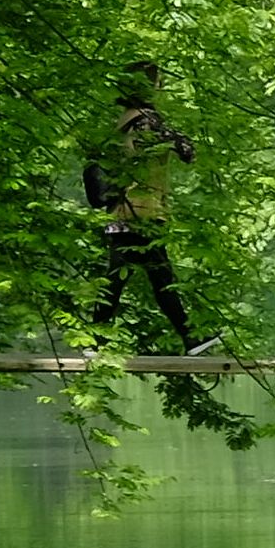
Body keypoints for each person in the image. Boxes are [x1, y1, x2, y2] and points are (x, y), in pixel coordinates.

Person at [85, 75, 201, 350]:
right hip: (143, 212)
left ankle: (96, 339)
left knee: (126, 278)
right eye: (158, 83)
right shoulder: (147, 121)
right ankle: (191, 337)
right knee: (160, 280)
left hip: (121, 213)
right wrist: (177, 138)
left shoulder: (122, 123)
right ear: (150, 88)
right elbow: (188, 151)